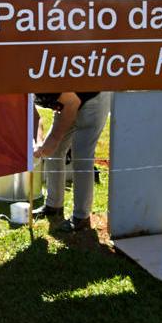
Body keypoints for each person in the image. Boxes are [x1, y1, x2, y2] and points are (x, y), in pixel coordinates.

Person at [33, 91, 111, 232]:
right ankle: (53, 206)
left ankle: (81, 217)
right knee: (55, 152)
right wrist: (39, 143)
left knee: (81, 156)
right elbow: (34, 117)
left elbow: (72, 103)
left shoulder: (43, 78)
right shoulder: (19, 85)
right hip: (68, 99)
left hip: (93, 96)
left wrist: (54, 139)